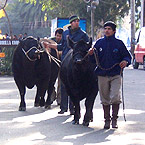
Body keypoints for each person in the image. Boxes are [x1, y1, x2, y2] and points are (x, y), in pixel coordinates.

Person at [89, 21, 132, 129]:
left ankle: (114, 120)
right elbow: (93, 60)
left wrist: (125, 61)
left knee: (115, 97)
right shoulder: (99, 43)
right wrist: (90, 54)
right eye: (105, 29)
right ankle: (107, 120)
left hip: (116, 74)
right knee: (105, 98)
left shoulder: (119, 44)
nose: (106, 31)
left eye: (109, 29)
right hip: (102, 74)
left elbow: (127, 56)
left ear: (114, 31)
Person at [44, 15, 89, 115]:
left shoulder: (83, 35)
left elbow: (86, 47)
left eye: (78, 21)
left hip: (76, 64)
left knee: (74, 86)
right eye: (75, 21)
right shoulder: (65, 34)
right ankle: (63, 107)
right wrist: (50, 45)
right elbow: (61, 47)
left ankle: (72, 108)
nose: (77, 23)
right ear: (71, 23)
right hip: (65, 63)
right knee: (64, 84)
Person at [49, 28, 63, 105]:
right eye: (57, 36)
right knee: (50, 81)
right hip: (53, 65)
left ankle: (60, 99)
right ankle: (52, 95)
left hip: (62, 64)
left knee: (61, 83)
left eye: (60, 36)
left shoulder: (65, 42)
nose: (58, 38)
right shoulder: (50, 41)